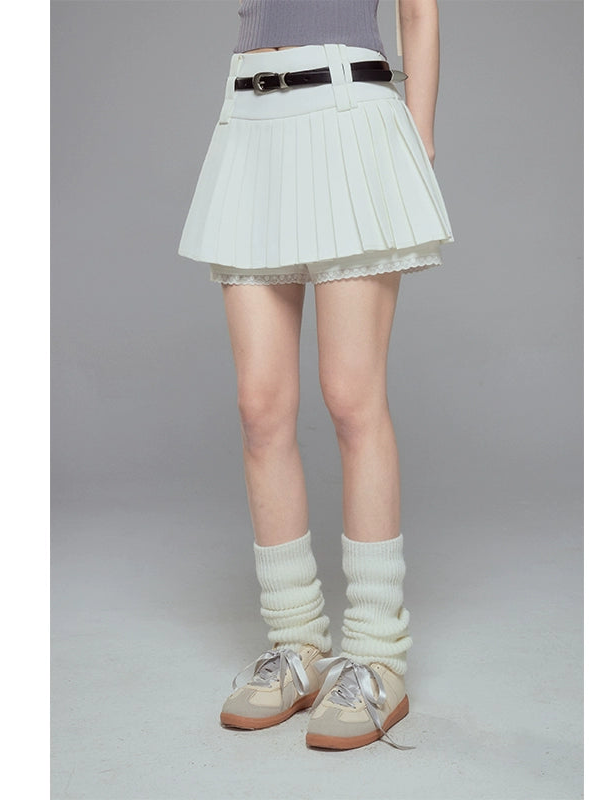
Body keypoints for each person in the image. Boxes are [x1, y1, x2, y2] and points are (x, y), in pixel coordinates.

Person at [177, 0, 453, 751]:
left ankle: (376, 656)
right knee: (260, 407)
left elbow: (419, 8)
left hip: (349, 114)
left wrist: (418, 134)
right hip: (251, 119)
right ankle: (295, 644)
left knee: (350, 396)